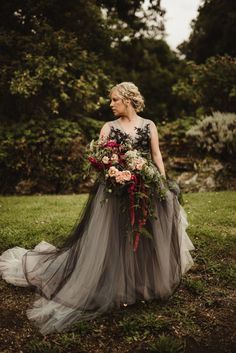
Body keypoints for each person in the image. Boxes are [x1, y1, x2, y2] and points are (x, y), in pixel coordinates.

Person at [0, 82, 194, 335]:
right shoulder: (109, 127)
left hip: (145, 184)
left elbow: (156, 155)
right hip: (115, 188)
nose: (110, 104)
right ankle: (114, 285)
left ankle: (143, 285)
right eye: (110, 100)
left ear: (127, 99)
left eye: (114, 99)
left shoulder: (149, 125)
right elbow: (101, 160)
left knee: (145, 235)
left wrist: (162, 182)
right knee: (116, 236)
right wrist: (114, 172)